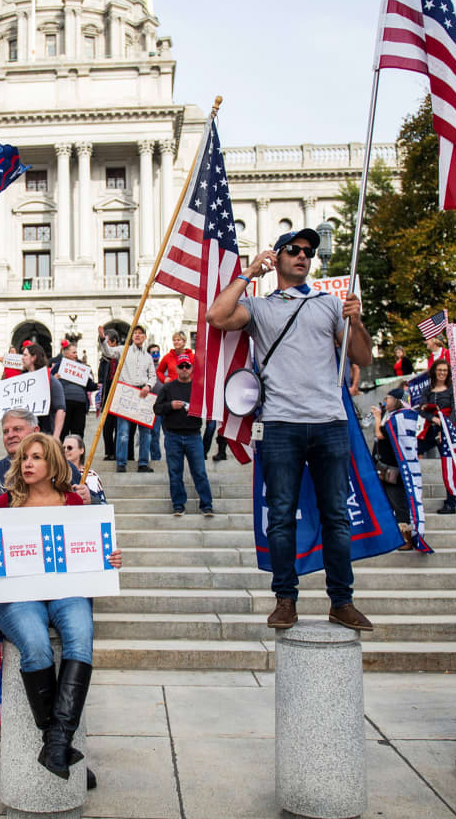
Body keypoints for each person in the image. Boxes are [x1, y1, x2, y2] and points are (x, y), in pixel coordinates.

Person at [206, 227, 374, 632]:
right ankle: (285, 598)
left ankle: (342, 600)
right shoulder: (260, 306)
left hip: (329, 421)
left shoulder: (331, 305)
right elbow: (216, 316)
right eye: (294, 250)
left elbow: (363, 357)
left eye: (308, 252)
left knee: (336, 516)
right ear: (277, 256)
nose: (302, 256)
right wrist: (249, 272)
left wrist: (357, 320)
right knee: (281, 516)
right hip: (280, 423)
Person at [0, 432, 122, 779]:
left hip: (67, 590)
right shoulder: (7, 503)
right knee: (36, 645)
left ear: (53, 463)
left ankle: (57, 744)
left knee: (80, 636)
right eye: (25, 457)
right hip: (18, 596)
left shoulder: (74, 502)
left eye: (37, 457)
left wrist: (111, 557)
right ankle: (57, 743)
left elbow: (93, 548)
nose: (28, 463)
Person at [153, 353, 214, 517]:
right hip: (173, 436)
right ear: (176, 369)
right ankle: (178, 505)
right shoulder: (168, 388)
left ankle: (206, 505)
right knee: (175, 473)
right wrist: (170, 405)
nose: (185, 369)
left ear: (192, 368)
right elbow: (156, 408)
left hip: (194, 435)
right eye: (181, 366)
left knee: (200, 472)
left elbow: (209, 408)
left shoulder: (199, 387)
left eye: (187, 366)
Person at [99, 324, 156, 473]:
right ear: (131, 336)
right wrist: (102, 338)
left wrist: (148, 386)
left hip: (143, 393)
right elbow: (108, 351)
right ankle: (121, 462)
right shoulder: (123, 350)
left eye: (140, 333)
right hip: (127, 392)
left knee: (145, 432)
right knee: (123, 431)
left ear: (144, 337)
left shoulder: (148, 357)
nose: (137, 335)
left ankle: (143, 462)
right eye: (135, 333)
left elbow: (153, 376)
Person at [369, 388, 415, 550]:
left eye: (388, 398)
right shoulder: (390, 416)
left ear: (396, 400)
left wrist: (377, 418)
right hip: (384, 466)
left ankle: (407, 538)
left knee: (398, 502)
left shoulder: (399, 418)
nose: (385, 401)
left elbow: (381, 435)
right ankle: (394, 536)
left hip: (395, 468)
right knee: (388, 502)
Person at [417, 358, 456, 515]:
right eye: (440, 370)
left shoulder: (451, 389)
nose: (442, 373)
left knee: (448, 465)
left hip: (448, 429)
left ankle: (451, 502)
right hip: (430, 428)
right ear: (434, 371)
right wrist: (433, 418)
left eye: (445, 370)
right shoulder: (428, 390)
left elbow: (455, 411)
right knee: (413, 450)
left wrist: (445, 426)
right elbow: (421, 410)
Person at [22, 343, 65, 438]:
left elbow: (60, 410)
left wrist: (56, 437)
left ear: (33, 358)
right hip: (26, 434)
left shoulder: (50, 380)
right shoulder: (22, 381)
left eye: (25, 355)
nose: (22, 358)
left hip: (45, 432)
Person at [55, 342, 94, 440]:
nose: (76, 355)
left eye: (76, 352)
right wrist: (54, 378)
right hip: (65, 402)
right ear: (66, 354)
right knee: (63, 431)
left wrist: (96, 385)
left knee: (78, 432)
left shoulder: (81, 366)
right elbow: (49, 380)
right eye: (73, 353)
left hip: (80, 403)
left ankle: (78, 453)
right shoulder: (59, 365)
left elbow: (88, 384)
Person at [96, 328, 123, 461]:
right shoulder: (104, 359)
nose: (104, 346)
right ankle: (109, 452)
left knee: (120, 428)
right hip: (108, 395)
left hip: (121, 395)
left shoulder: (122, 355)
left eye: (107, 342)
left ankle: (120, 453)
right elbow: (101, 377)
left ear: (113, 342)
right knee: (107, 427)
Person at [63, 433, 106, 503]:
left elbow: (103, 503)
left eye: (69, 448)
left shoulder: (92, 476)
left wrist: (91, 499)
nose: (65, 450)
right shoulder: (58, 474)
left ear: (81, 450)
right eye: (63, 448)